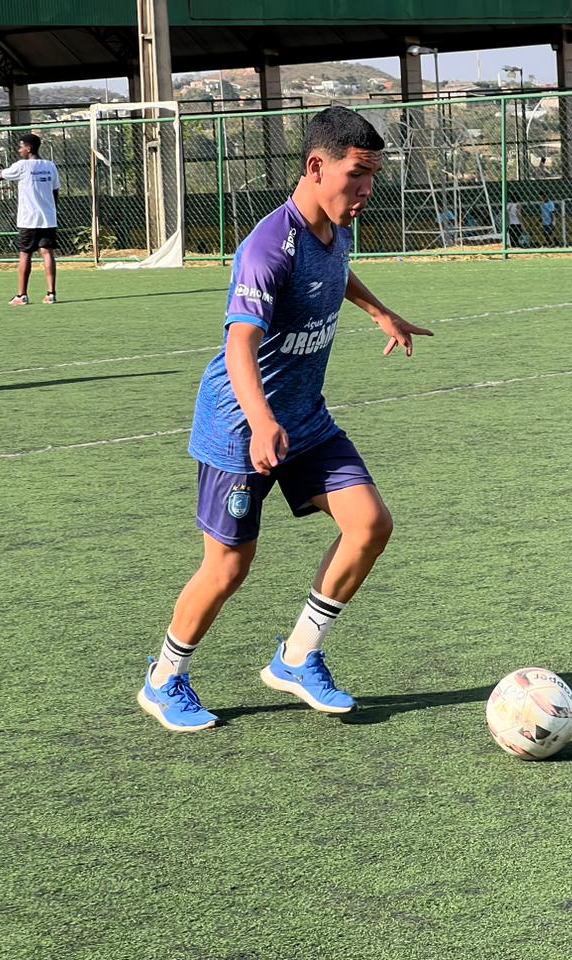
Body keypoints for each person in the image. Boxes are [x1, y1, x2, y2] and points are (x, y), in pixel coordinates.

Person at [138, 106, 434, 732]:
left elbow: (337, 274)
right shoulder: (268, 246)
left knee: (370, 524)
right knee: (228, 567)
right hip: (241, 430)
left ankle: (298, 655)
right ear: (315, 166)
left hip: (306, 421)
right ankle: (164, 677)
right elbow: (239, 343)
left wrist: (379, 311)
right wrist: (262, 421)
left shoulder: (337, 226)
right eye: (357, 175)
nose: (366, 191)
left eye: (373, 177)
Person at [0, 134, 60, 305]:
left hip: (29, 219)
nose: (19, 150)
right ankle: (51, 293)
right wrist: (51, 209)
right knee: (47, 252)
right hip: (48, 218)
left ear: (29, 148)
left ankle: (21, 295)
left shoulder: (23, 165)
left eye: (21, 147)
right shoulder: (50, 166)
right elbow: (55, 191)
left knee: (25, 254)